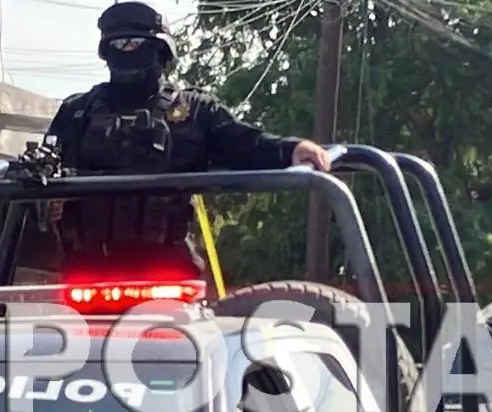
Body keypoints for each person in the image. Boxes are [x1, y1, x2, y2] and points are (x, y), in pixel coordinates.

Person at [41, 1, 331, 282]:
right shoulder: (77, 112)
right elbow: (40, 171)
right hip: (86, 282)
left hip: (166, 278)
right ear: (106, 51)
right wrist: (46, 198)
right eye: (119, 44)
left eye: (136, 43)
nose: (128, 51)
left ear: (161, 51)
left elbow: (246, 144)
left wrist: (293, 149)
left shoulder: (194, 111)